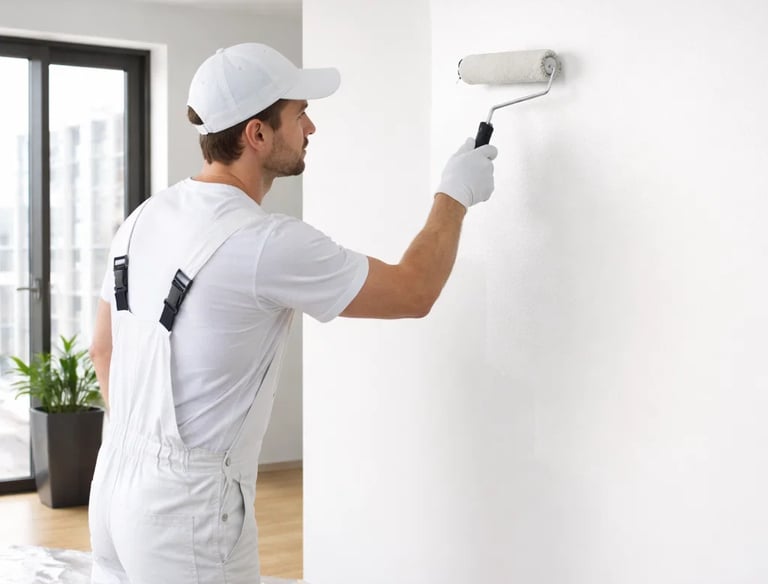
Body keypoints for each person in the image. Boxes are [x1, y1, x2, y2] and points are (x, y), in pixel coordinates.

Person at [87, 42, 497, 584]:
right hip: (183, 513)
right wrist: (454, 193)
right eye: (299, 115)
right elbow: (413, 291)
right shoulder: (264, 243)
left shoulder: (144, 217)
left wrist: (144, 450)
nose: (311, 129)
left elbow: (103, 347)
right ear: (257, 134)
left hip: (114, 484)